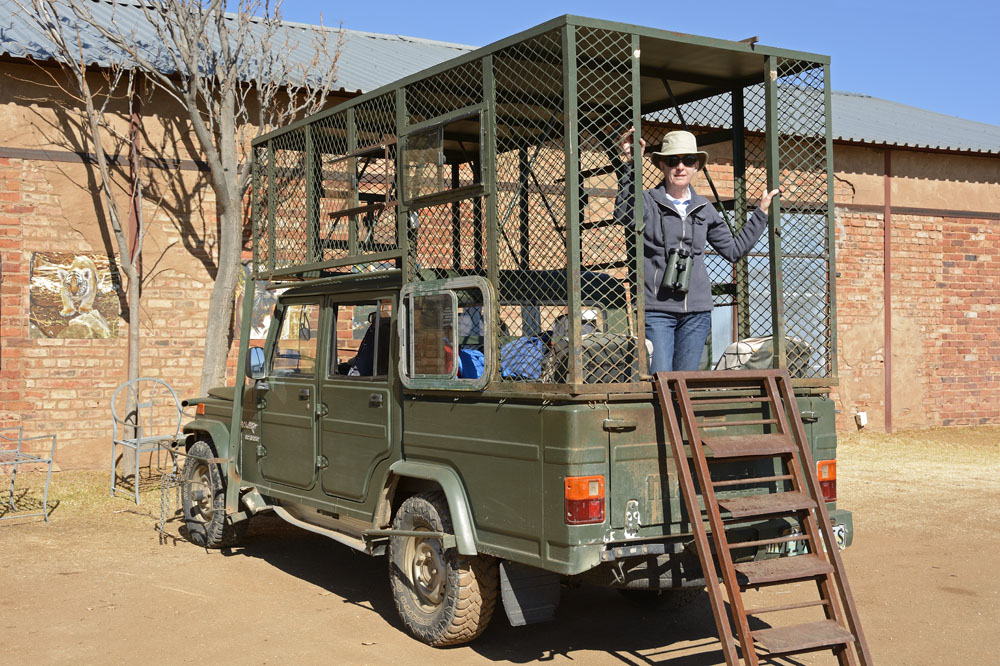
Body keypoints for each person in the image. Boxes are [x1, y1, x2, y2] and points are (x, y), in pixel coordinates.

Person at [616, 129, 779, 373]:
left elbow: (733, 250)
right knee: (660, 377)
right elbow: (623, 214)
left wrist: (761, 213)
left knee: (685, 382)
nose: (680, 167)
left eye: (688, 160)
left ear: (696, 167)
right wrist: (632, 166)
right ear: (662, 165)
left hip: (696, 312)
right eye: (673, 160)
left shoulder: (704, 208)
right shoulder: (648, 201)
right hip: (657, 309)